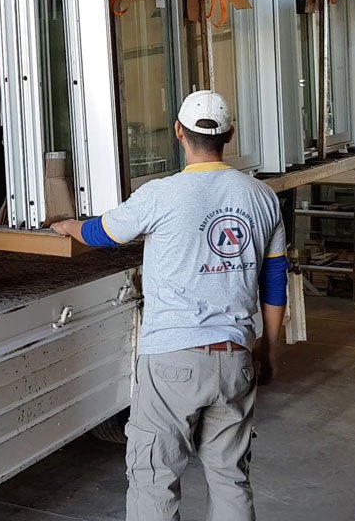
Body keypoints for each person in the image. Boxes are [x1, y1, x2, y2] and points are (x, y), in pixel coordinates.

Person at [53, 90, 286, 521]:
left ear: (178, 132)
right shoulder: (262, 197)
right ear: (229, 135)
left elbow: (103, 233)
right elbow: (274, 283)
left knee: (154, 478)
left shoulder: (160, 194)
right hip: (235, 358)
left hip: (172, 361)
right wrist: (269, 351)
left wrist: (69, 225)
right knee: (230, 477)